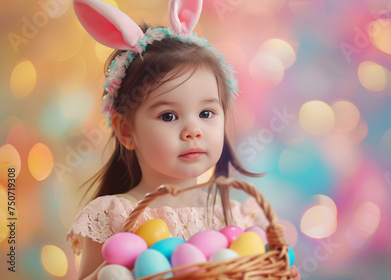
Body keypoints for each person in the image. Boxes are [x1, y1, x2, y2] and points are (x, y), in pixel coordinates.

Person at [66, 0, 300, 279]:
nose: (193, 130)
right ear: (127, 131)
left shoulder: (237, 218)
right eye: (168, 116)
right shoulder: (112, 215)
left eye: (206, 113)